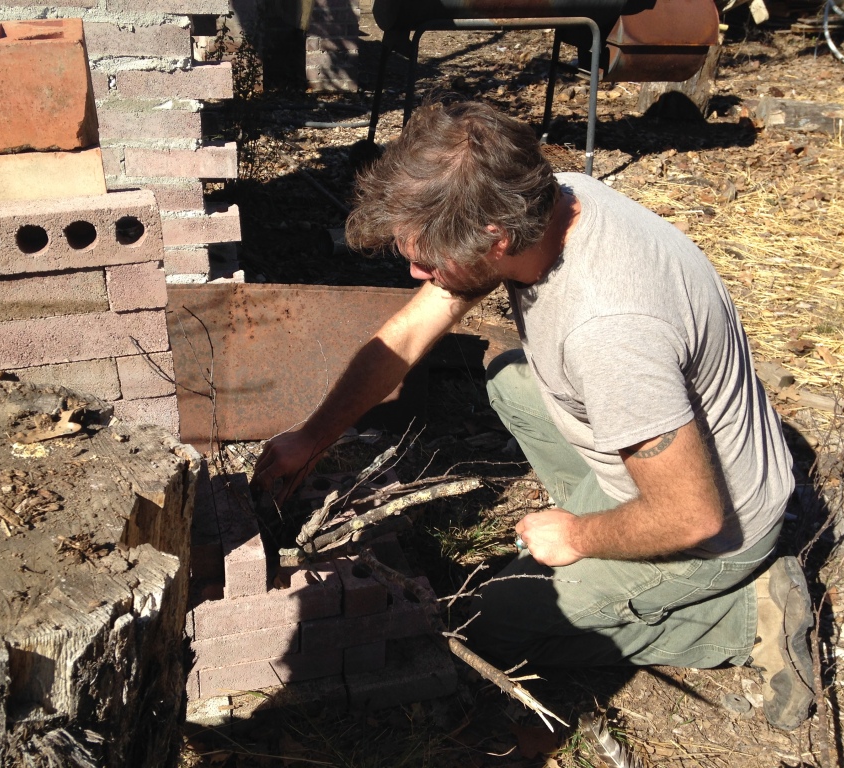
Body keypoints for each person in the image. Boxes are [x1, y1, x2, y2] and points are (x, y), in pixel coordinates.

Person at [251, 100, 814, 731]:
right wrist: (312, 437)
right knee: (512, 382)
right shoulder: (549, 197)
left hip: (714, 528)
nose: (416, 274)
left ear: (493, 239)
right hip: (679, 461)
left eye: (429, 260)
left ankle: (749, 614)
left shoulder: (609, 331)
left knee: (487, 624)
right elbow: (407, 337)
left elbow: (692, 514)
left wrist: (574, 537)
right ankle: (598, 514)